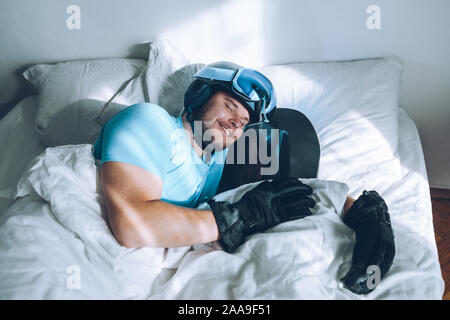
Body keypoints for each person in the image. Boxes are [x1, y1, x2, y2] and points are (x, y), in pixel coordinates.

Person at [93, 61, 395, 294]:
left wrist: (361, 213)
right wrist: (236, 217)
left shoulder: (217, 160)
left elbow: (290, 191)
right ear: (199, 96)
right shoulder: (151, 121)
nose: (236, 122)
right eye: (230, 106)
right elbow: (131, 225)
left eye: (243, 122)